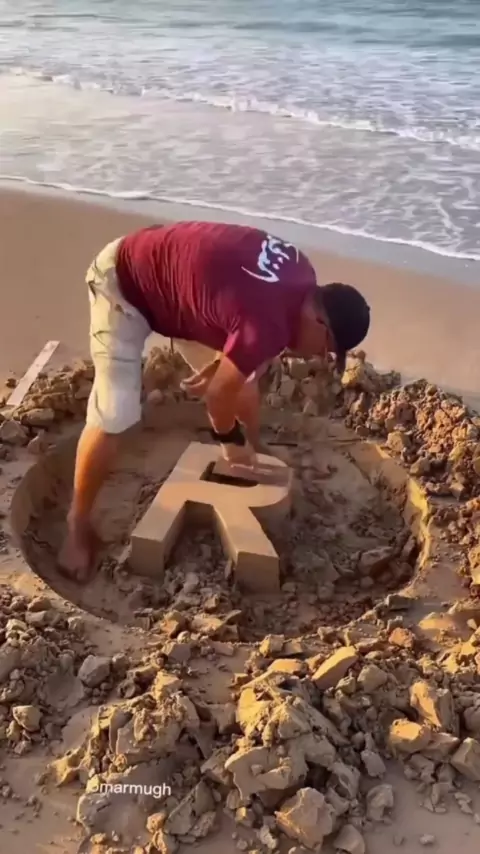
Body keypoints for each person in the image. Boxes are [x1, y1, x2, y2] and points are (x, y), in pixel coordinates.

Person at [59, 221, 370, 580]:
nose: (318, 357)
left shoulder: (301, 274)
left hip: (177, 288)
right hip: (124, 285)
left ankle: (252, 451)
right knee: (115, 413)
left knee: (244, 380)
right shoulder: (266, 323)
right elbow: (219, 393)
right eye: (326, 348)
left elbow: (241, 302)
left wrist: (226, 362)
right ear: (318, 322)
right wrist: (229, 439)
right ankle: (77, 522)